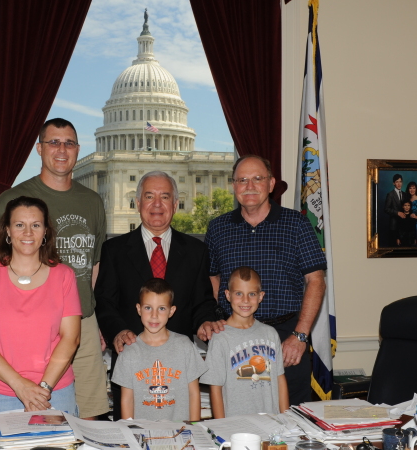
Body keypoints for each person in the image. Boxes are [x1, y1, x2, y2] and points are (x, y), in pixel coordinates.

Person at [0, 118, 108, 420]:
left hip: (80, 325)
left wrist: (95, 318)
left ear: (78, 150)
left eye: (68, 143)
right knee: (20, 416)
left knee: (88, 416)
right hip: (27, 323)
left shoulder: (92, 201)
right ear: (39, 149)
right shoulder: (13, 199)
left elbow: (94, 265)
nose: (61, 150)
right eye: (54, 142)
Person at [0, 196, 81, 450]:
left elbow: (71, 337)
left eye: (35, 225)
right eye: (19, 225)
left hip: (53, 393)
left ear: (45, 232)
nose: (27, 233)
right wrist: (20, 386)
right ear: (7, 231)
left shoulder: (64, 275)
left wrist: (41, 390)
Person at [94, 171, 224, 417]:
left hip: (178, 364)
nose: (157, 204)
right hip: (132, 360)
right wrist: (117, 331)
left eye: (164, 197)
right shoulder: (114, 250)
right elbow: (104, 302)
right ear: (138, 203)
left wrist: (206, 321)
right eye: (149, 196)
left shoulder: (197, 251)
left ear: (175, 205)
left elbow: (203, 301)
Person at [205, 155, 326, 406]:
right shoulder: (218, 228)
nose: (249, 186)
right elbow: (212, 277)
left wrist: (300, 336)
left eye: (257, 179)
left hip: (286, 340)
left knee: (291, 420)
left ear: (271, 184)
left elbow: (316, 281)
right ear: (234, 185)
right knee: (236, 414)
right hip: (234, 339)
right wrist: (218, 315)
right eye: (242, 180)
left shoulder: (297, 224)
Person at [111, 278, 206, 421]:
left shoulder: (184, 346)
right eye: (148, 308)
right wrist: (131, 431)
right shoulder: (129, 351)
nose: (154, 315)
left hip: (180, 433)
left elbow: (193, 393)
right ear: (138, 309)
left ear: (171, 311)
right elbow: (127, 400)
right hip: (143, 434)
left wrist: (194, 428)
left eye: (161, 308)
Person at [201, 266, 289, 418]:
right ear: (228, 295)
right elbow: (215, 388)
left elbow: (280, 379)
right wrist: (222, 425)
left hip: (272, 423)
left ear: (261, 296)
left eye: (252, 294)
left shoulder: (270, 334)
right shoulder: (220, 338)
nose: (245, 300)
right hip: (236, 426)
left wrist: (286, 418)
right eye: (239, 293)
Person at [384, 174, 409, 246]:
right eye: (397, 182)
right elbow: (386, 209)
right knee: (394, 247)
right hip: (394, 225)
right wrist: (397, 213)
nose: (399, 184)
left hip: (404, 225)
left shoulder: (405, 194)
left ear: (402, 182)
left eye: (400, 182)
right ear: (393, 183)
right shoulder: (390, 194)